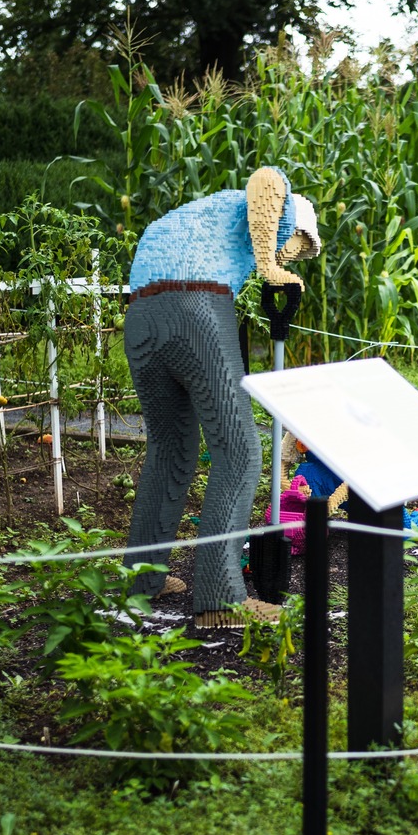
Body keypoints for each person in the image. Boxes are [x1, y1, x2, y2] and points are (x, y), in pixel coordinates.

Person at [122, 166, 320, 627]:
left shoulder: (190, 217)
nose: (293, 254)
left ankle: (141, 580)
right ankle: (218, 599)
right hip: (196, 308)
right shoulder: (277, 200)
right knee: (240, 451)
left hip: (141, 316)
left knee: (169, 452)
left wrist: (266, 263)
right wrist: (272, 266)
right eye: (297, 245)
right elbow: (266, 180)